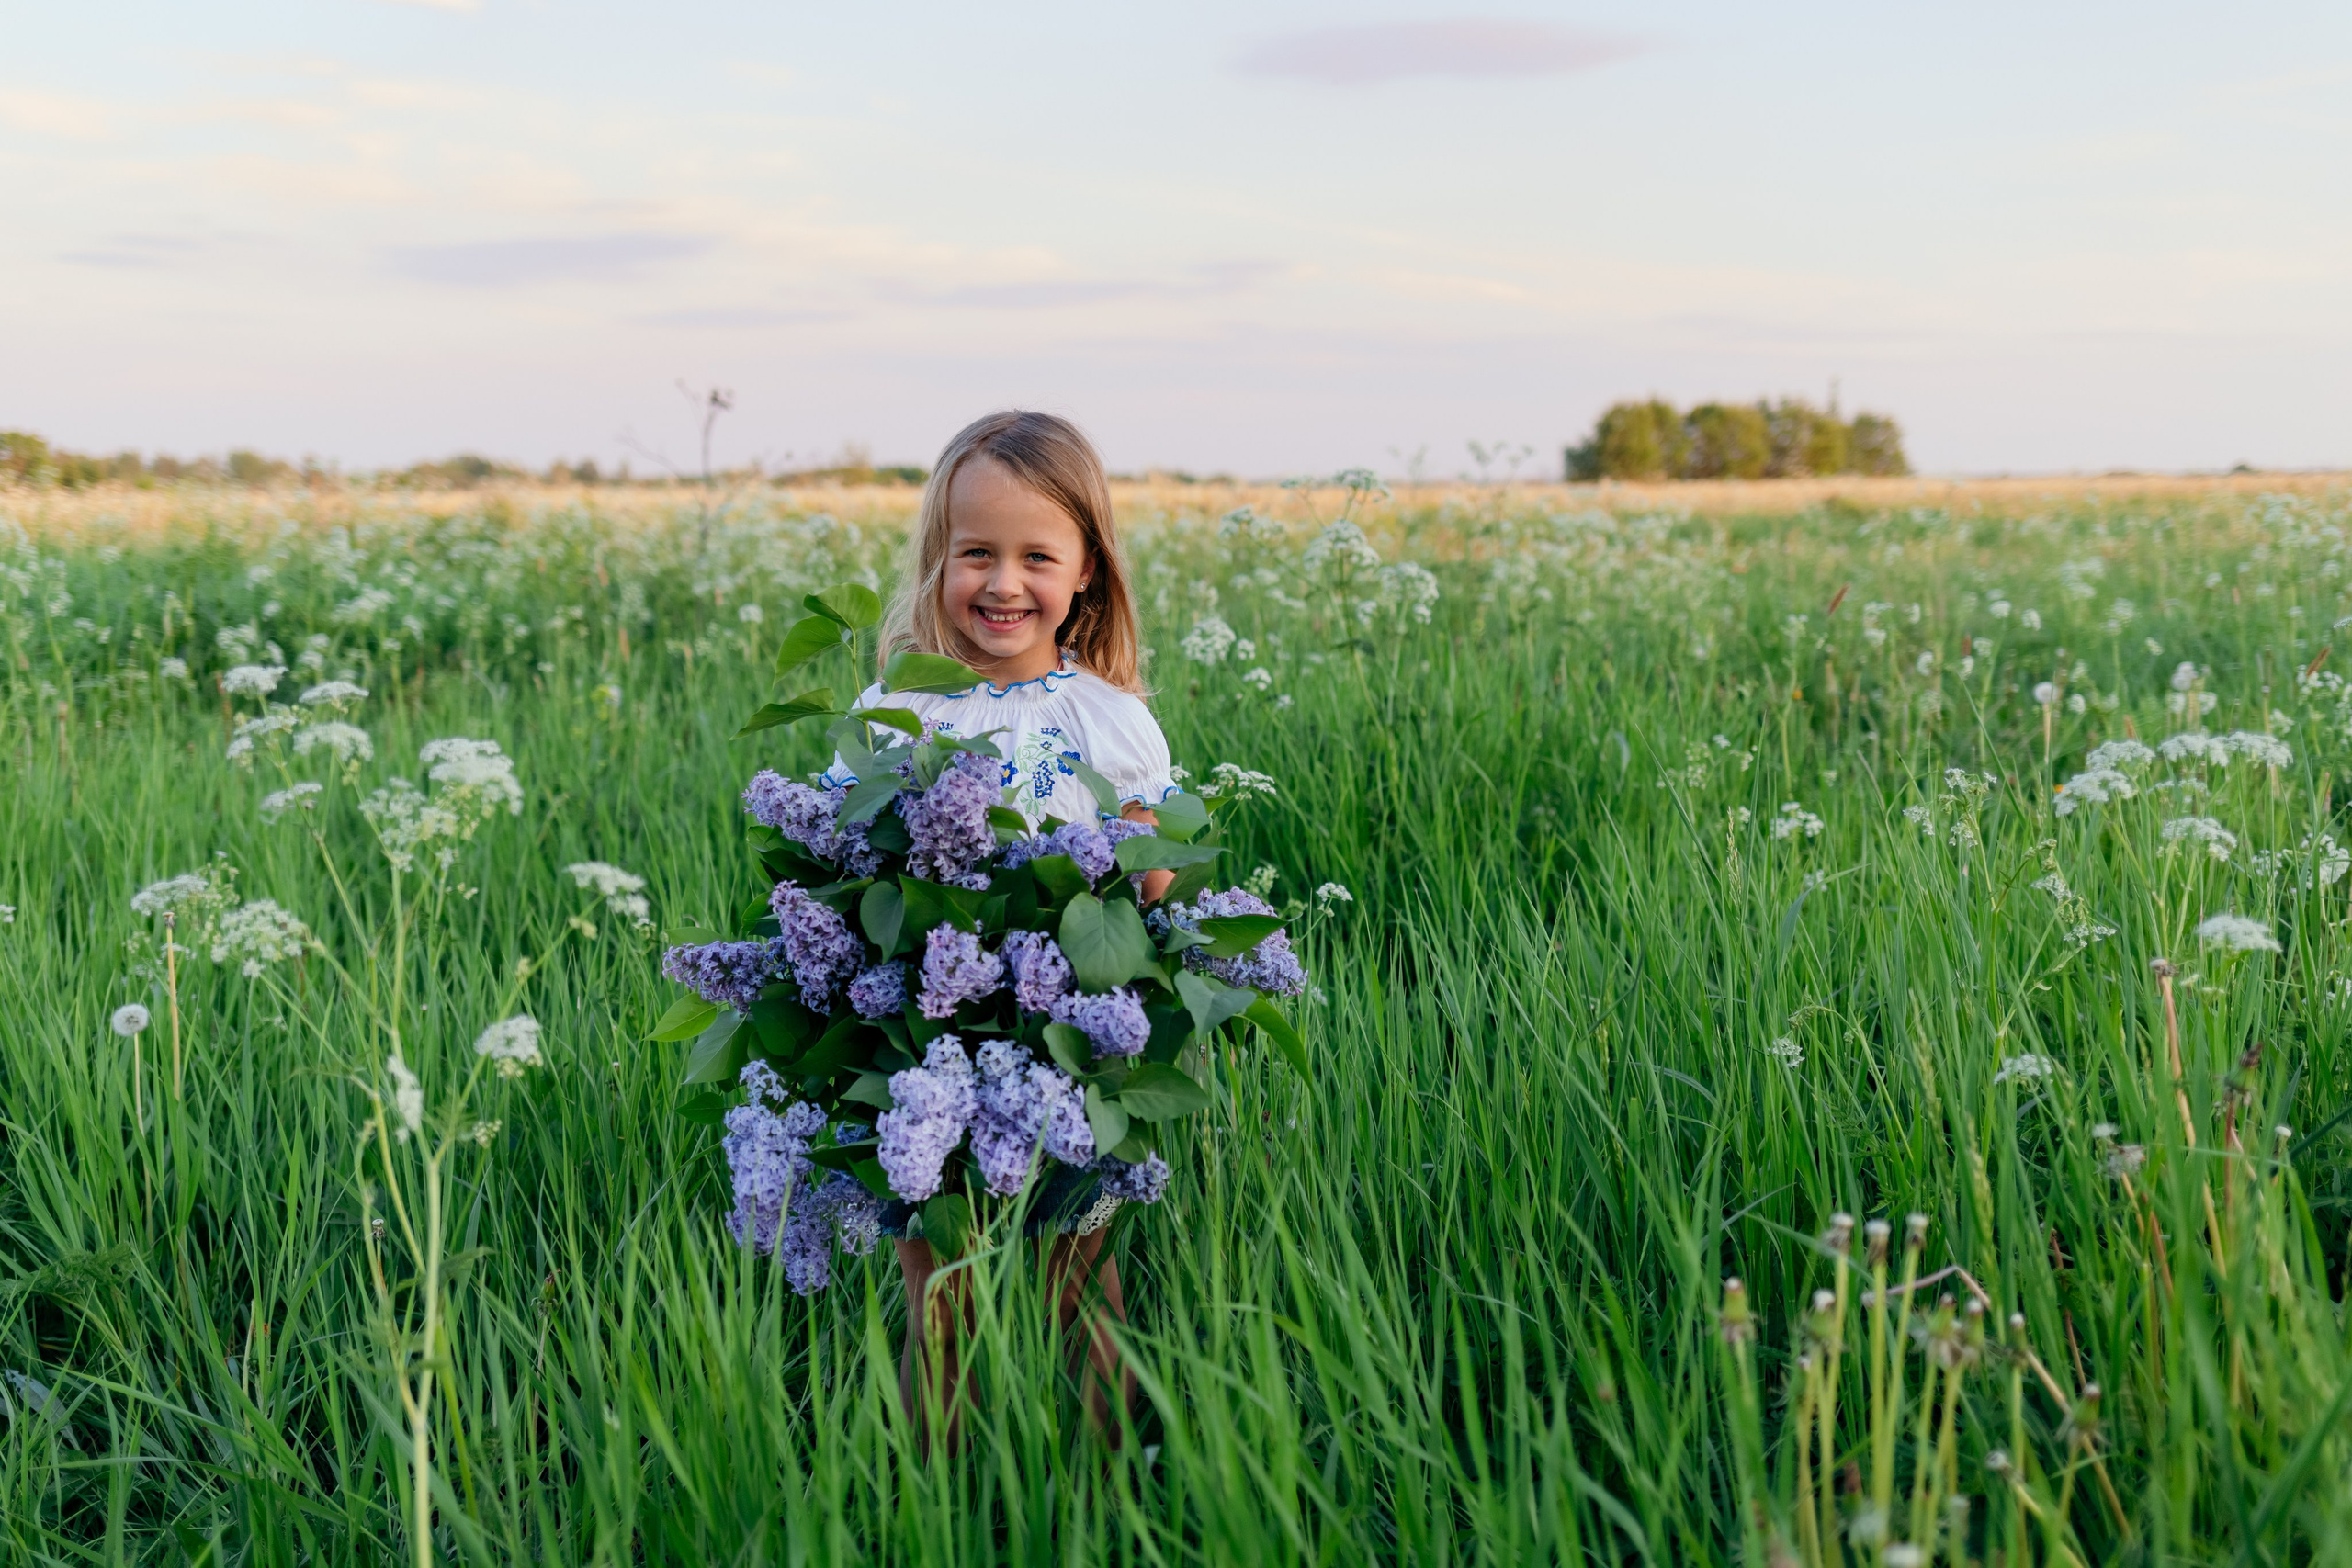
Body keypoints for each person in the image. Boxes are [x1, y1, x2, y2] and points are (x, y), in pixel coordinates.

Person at [836, 409, 1175, 1443]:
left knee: (1080, 1281)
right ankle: (930, 1497)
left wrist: (1142, 888)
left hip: (1070, 1043)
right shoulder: (902, 709)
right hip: (925, 1045)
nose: (1003, 583)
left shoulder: (1108, 720)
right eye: (975, 553)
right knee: (938, 1292)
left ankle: (1111, 1490)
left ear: (1087, 572)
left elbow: (1151, 880)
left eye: (1037, 557)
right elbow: (850, 866)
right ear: (938, 560)